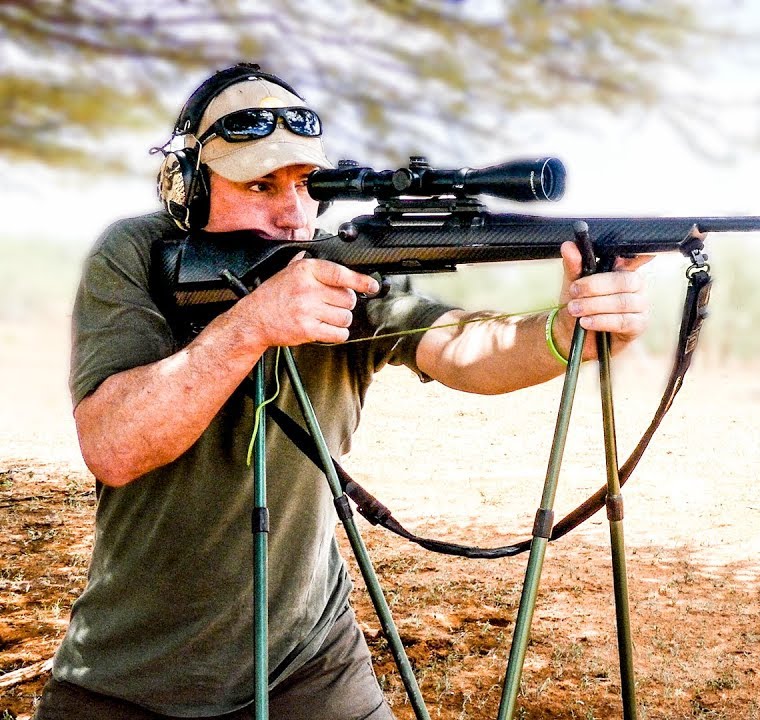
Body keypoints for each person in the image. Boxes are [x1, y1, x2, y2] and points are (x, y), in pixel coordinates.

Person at [34, 64, 651, 719]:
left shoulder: (339, 269)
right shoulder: (136, 254)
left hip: (309, 661)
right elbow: (113, 445)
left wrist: (567, 330)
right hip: (131, 678)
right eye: (260, 185)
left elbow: (460, 349)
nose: (291, 212)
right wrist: (250, 326)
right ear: (188, 186)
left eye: (308, 184)